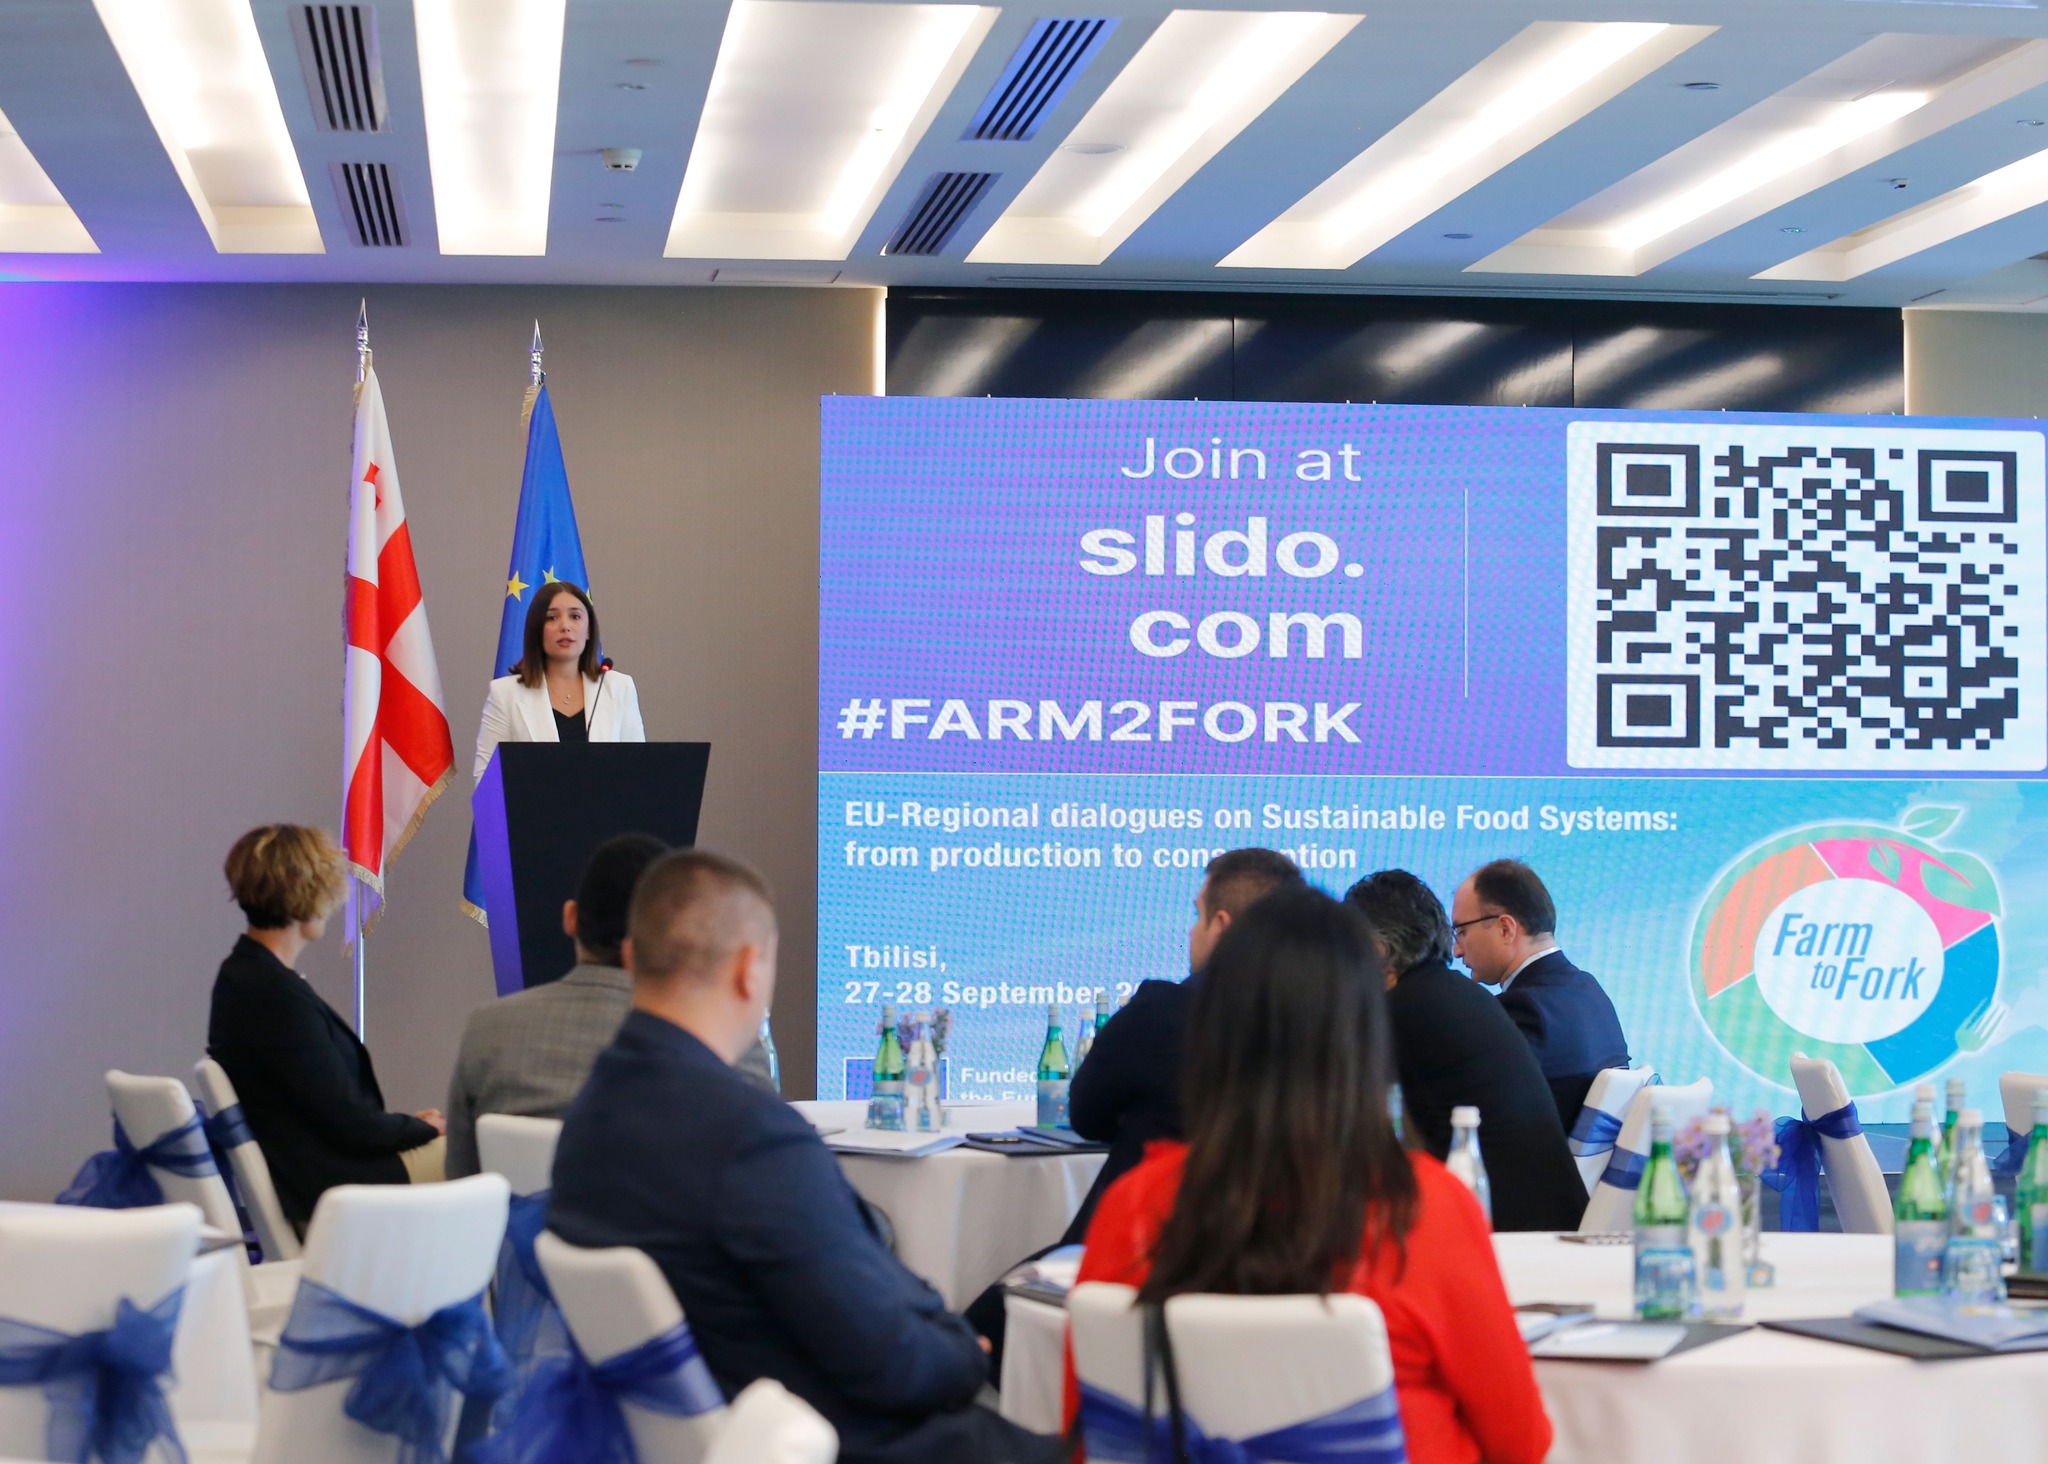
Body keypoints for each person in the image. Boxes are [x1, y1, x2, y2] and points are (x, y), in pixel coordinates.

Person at [548, 851, 1064, 1464]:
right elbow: (888, 1362)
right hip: (836, 1442)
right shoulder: (749, 1134)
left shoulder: (590, 1116)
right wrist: (961, 1355)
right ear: (748, 969)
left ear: (633, 958)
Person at [1067, 887, 1552, 1464]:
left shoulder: (1132, 1209)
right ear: (1365, 1034)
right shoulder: (1422, 1208)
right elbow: (1521, 1442)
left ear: (1213, 1031)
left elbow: (1088, 1431)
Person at [444, 833, 780, 1179]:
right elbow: (771, 1177)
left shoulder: (488, 1031)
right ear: (673, 936)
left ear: (571, 918)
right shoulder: (727, 1044)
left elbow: (462, 1184)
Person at [207, 825, 444, 1234]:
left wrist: (408, 1126)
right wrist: (423, 1128)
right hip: (330, 1186)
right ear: (310, 894)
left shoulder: (244, 977)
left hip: (308, 1176)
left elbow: (327, 1108)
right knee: (482, 1153)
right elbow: (353, 1125)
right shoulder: (273, 994)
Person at [1062, 847, 1304, 1244]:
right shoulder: (1321, 1029)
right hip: (1275, 1257)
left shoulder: (1161, 1011)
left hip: (1142, 1249)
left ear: (1221, 925)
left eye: (1197, 915)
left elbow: (1087, 1117)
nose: (1191, 932)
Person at [1345, 869, 1588, 1231]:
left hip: (1509, 1234)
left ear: (1378, 949)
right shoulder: (1455, 992)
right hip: (1547, 1219)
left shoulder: (1402, 1010)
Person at [1450, 859, 1629, 1129]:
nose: (1456, 950)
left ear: (1505, 929)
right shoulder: (1590, 991)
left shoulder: (1524, 1009)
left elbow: (1476, 1116)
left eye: (1461, 931)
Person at [474, 580, 644, 783]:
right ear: (537, 629)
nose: (565, 626)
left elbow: (637, 771)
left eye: (575, 616)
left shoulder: (619, 688)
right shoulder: (505, 694)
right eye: (552, 618)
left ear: (589, 630)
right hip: (533, 804)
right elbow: (486, 780)